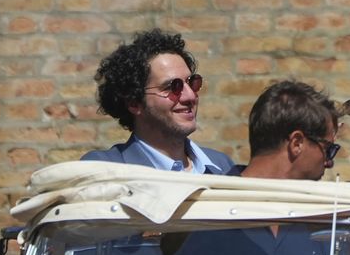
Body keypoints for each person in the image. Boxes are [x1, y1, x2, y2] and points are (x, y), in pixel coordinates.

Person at [154, 81, 342, 255]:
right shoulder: (207, 209)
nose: (329, 163)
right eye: (328, 149)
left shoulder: (319, 218)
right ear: (296, 142)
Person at [83, 29, 236, 174]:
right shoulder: (104, 170)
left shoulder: (222, 166)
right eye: (172, 87)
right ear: (134, 103)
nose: (190, 96)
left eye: (192, 82)